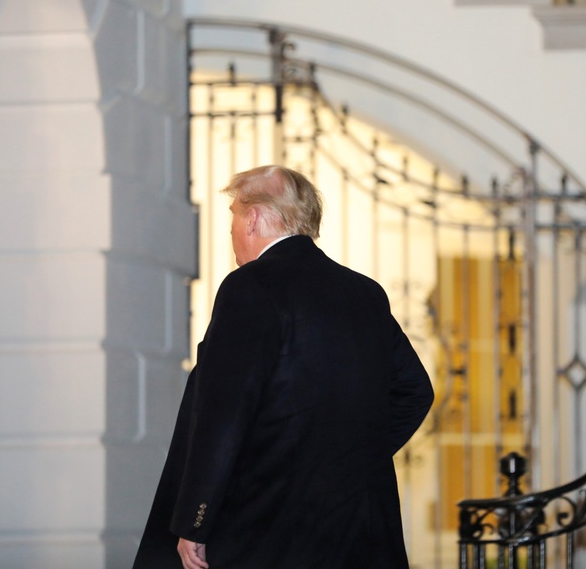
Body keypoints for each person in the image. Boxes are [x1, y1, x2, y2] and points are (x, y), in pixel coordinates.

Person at [132, 165, 434, 569]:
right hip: (359, 528)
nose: (232, 232)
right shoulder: (365, 292)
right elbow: (416, 392)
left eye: (234, 218)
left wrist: (195, 519)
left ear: (253, 218)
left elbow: (223, 416)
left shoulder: (249, 286)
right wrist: (348, 459)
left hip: (266, 525)